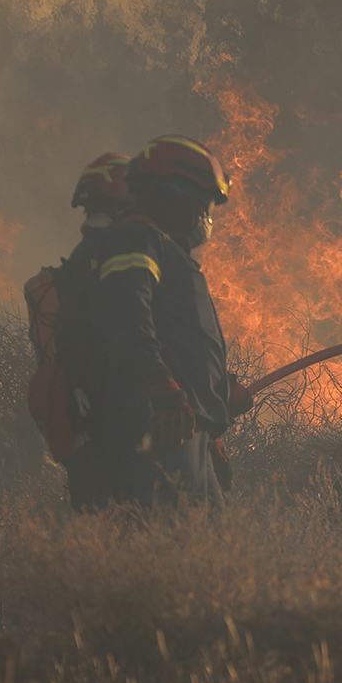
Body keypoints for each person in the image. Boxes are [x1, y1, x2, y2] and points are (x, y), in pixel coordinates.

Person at [85, 134, 248, 508]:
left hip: (189, 423)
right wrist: (159, 387)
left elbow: (181, 340)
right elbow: (127, 316)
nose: (206, 216)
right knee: (176, 541)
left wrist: (217, 400)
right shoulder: (136, 238)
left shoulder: (163, 247)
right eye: (204, 203)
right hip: (161, 423)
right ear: (176, 193)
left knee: (209, 545)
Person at [24, 152, 137, 507]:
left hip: (86, 439)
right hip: (119, 443)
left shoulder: (79, 263)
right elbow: (136, 348)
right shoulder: (114, 264)